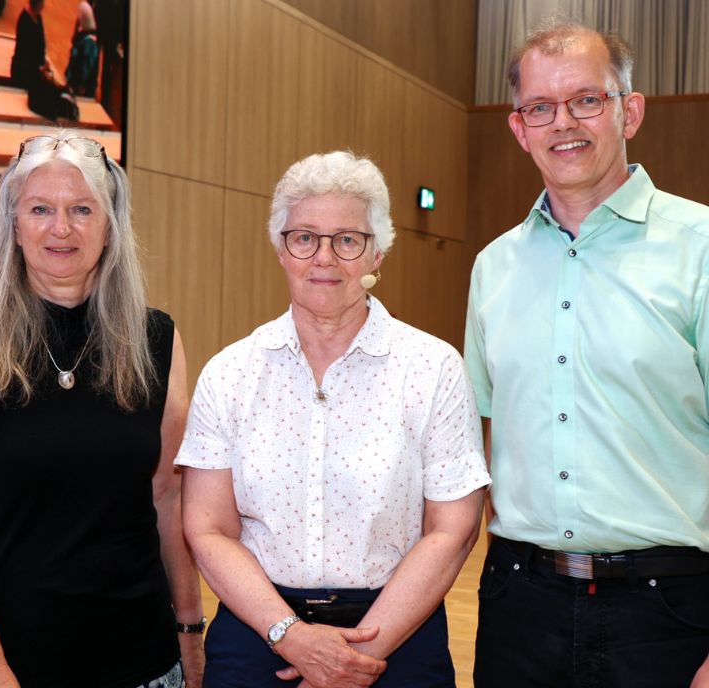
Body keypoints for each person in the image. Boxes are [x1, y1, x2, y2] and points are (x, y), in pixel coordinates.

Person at [464, 19, 709, 688]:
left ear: (631, 111)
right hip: (517, 603)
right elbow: (483, 444)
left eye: (587, 100)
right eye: (542, 107)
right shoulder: (492, 267)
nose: (563, 123)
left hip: (663, 609)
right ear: (519, 128)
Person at [179, 151, 491, 687]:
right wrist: (291, 635)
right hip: (260, 634)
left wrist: (357, 657)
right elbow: (207, 528)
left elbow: (452, 529)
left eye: (348, 240)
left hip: (397, 635)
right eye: (304, 237)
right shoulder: (229, 373)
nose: (324, 257)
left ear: (378, 255)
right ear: (281, 249)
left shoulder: (433, 368)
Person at [0, 130, 205, 688]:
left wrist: (190, 629)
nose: (61, 228)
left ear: (110, 225)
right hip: (5, 664)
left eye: (81, 209)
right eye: (41, 209)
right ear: (14, 225)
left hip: (139, 658)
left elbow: (168, 494)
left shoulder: (157, 340)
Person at [10, 0, 78, 122]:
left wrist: (44, 63)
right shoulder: (25, 20)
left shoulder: (38, 17)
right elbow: (23, 51)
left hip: (36, 68)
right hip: (24, 70)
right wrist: (39, 68)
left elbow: (40, 45)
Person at [65, 0, 99, 98]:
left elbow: (85, 67)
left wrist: (81, 84)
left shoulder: (89, 43)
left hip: (80, 89)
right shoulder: (85, 38)